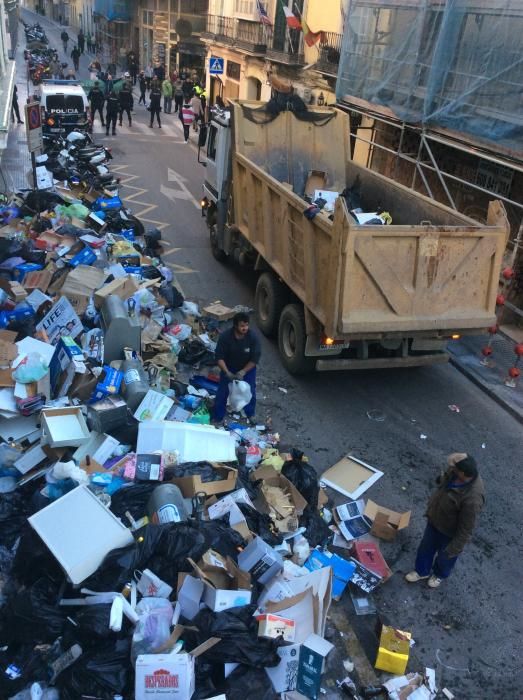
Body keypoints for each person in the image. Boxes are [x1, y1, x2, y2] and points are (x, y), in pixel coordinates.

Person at [405, 453, 485, 588]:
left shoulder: (473, 498)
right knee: (426, 548)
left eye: (454, 468)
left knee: (446, 558)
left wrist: (454, 548)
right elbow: (442, 482)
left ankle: (439, 575)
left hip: (449, 533)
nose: (450, 468)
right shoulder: (455, 472)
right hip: (435, 520)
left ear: (463, 473)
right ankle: (421, 571)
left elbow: (466, 529)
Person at [213, 312, 260, 425]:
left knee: (250, 390)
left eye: (246, 325)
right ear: (235, 326)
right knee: (222, 393)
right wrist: (227, 372)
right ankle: (218, 416)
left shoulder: (253, 338)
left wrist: (243, 371)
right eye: (242, 326)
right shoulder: (225, 337)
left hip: (247, 369)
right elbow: (219, 357)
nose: (245, 328)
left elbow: (254, 359)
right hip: (229, 367)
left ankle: (250, 413)